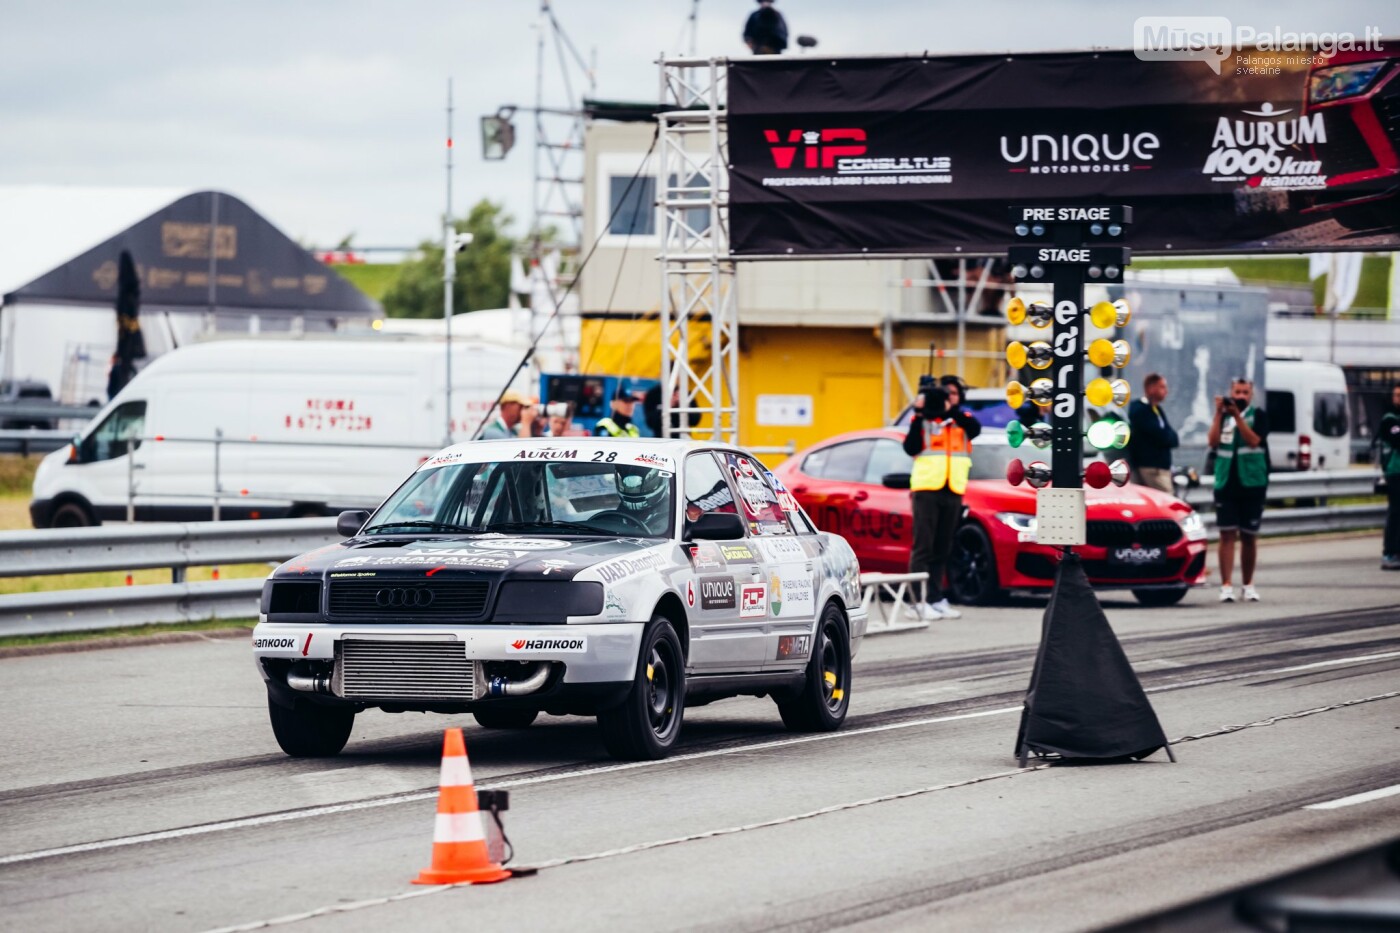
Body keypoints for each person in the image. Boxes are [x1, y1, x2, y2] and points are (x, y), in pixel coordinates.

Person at [902, 375, 982, 620]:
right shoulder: (923, 420)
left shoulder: (962, 421)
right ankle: (915, 602)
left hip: (953, 489)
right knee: (923, 547)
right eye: (944, 393)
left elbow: (974, 430)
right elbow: (911, 447)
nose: (948, 398)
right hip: (927, 489)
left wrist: (952, 412)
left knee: (943, 547)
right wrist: (919, 412)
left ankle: (935, 598)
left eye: (953, 394)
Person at [1208, 377, 1270, 602]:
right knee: (1226, 535)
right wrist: (1219, 414)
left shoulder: (1258, 415)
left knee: (1249, 536)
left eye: (1245, 392)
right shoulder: (1223, 416)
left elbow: (1254, 441)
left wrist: (1237, 417)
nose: (1241, 396)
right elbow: (1212, 442)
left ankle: (1248, 584)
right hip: (1226, 483)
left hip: (1252, 484)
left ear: (1251, 395)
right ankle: (1226, 586)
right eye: (1237, 392)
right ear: (1231, 393)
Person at [1126, 373, 1179, 494]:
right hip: (1151, 468)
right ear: (1151, 388)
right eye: (1162, 387)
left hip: (1162, 467)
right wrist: (1167, 437)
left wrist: (1168, 437)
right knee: (1166, 499)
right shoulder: (1139, 409)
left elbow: (1172, 437)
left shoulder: (1157, 409)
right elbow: (1160, 435)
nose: (1166, 391)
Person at [1379, 384, 1400, 570]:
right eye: (1396, 395)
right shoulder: (1389, 420)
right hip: (1395, 472)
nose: (1397, 398)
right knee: (1395, 512)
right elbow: (1397, 439)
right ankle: (1390, 552)